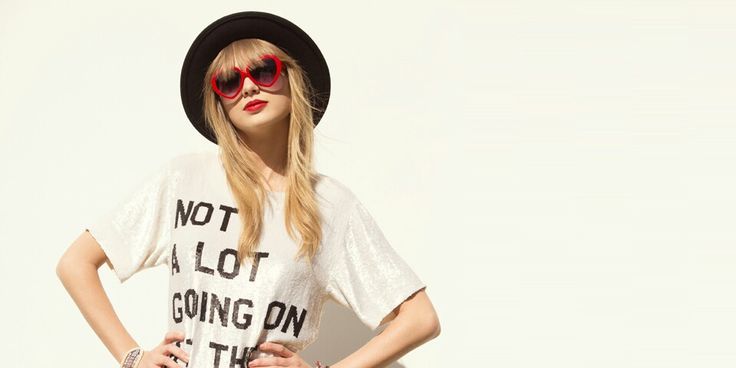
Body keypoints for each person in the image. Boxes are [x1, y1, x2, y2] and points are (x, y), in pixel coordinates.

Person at [56, 11, 440, 368]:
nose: (249, 87)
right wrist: (133, 357)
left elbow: (420, 318)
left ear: (292, 79)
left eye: (263, 70)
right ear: (218, 101)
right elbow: (75, 264)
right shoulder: (184, 179)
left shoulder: (331, 207)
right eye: (229, 81)